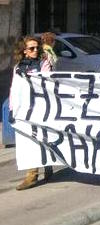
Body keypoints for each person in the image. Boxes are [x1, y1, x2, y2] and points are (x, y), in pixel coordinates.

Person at [12, 36, 53, 190]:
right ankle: (32, 175)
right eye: (31, 48)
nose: (35, 50)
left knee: (44, 138)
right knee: (30, 139)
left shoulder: (43, 64)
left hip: (42, 108)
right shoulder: (18, 67)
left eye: (37, 48)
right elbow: (14, 88)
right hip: (25, 109)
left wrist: (48, 59)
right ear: (25, 51)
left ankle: (47, 164)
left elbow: (47, 81)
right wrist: (12, 108)